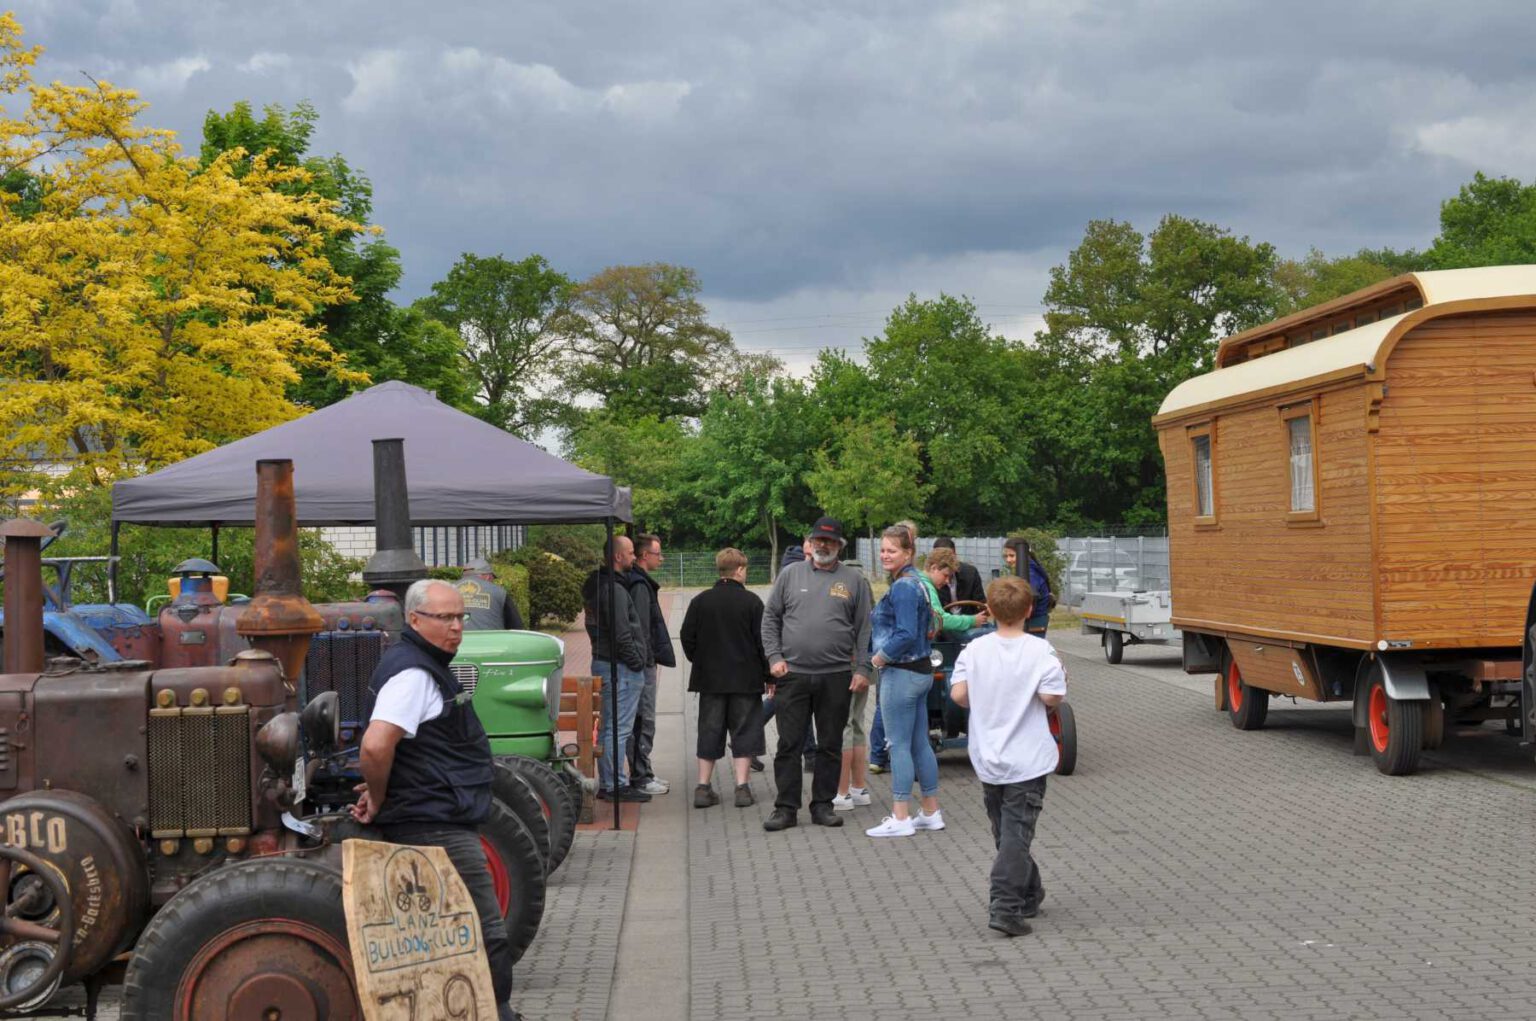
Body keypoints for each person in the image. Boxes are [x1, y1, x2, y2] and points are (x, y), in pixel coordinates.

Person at [352, 579, 520, 1021]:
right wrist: (378, 795)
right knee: (483, 931)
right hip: (435, 824)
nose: (456, 626)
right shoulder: (414, 673)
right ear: (414, 619)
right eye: (444, 618)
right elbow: (375, 746)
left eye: (460, 617)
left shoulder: (424, 663)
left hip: (439, 815)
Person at [947, 575, 1066, 936]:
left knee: (1006, 832)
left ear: (990, 609)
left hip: (988, 756)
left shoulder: (973, 650)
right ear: (1029, 610)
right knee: (1015, 835)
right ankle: (1005, 906)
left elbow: (959, 696)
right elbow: (1051, 697)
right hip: (1027, 759)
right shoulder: (1041, 651)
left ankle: (1029, 892)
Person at [760, 516, 873, 831]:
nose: (823, 545)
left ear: (840, 545)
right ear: (810, 543)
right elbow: (770, 618)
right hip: (792, 674)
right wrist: (774, 657)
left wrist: (863, 668)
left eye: (830, 541)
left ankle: (823, 805)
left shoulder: (854, 580)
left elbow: (865, 628)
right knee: (789, 744)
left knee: (830, 744)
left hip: (836, 675)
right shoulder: (790, 574)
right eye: (818, 540)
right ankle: (785, 808)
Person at [865, 524, 944, 837]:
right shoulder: (919, 582)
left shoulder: (902, 587)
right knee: (918, 743)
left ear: (908, 553)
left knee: (897, 745)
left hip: (901, 672)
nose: (885, 555)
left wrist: (879, 658)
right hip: (921, 671)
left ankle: (900, 816)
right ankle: (930, 811)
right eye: (883, 550)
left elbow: (906, 633)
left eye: (892, 550)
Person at [680, 548, 770, 808]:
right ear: (739, 570)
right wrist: (768, 676)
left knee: (709, 730)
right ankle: (742, 788)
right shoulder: (753, 602)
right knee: (745, 731)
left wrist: (701, 661)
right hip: (746, 680)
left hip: (710, 681)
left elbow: (687, 637)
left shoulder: (700, 601)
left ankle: (703, 787)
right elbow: (763, 642)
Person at [581, 535, 651, 802]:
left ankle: (611, 782)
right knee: (618, 728)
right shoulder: (614, 590)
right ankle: (615, 784)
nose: (634, 557)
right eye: (631, 552)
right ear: (618, 556)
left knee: (610, 726)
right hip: (619, 666)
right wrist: (637, 661)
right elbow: (622, 633)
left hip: (606, 660)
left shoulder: (598, 586)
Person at [625, 534, 676, 796]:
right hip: (642, 664)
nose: (662, 558)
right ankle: (641, 776)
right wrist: (646, 661)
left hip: (643, 661)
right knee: (643, 719)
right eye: (658, 553)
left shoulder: (639, 582)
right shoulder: (640, 586)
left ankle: (644, 771)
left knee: (643, 719)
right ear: (645, 555)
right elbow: (641, 628)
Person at [758, 543, 816, 774]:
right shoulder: (793, 580)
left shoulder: (790, 576)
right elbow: (773, 622)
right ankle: (810, 755)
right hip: (790, 657)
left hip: (788, 656)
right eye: (808, 555)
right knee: (793, 704)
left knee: (792, 703)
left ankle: (747, 738)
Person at [919, 547, 990, 634]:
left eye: (949, 577)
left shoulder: (918, 581)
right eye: (945, 575)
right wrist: (972, 620)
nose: (947, 581)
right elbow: (941, 620)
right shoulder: (926, 589)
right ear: (933, 568)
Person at [455, 557, 526, 631]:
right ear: (488, 577)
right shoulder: (499, 592)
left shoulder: (449, 589)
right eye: (492, 578)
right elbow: (516, 627)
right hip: (489, 638)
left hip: (456, 637)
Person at [1003, 537, 1055, 637]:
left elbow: (1028, 599)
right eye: (1006, 556)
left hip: (1033, 621)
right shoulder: (1028, 569)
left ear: (1023, 554)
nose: (1008, 560)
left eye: (1012, 556)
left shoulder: (1030, 574)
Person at [931, 536, 985, 607]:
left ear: (955, 556)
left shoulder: (971, 573)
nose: (948, 562)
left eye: (951, 558)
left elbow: (980, 602)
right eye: (943, 559)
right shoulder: (931, 581)